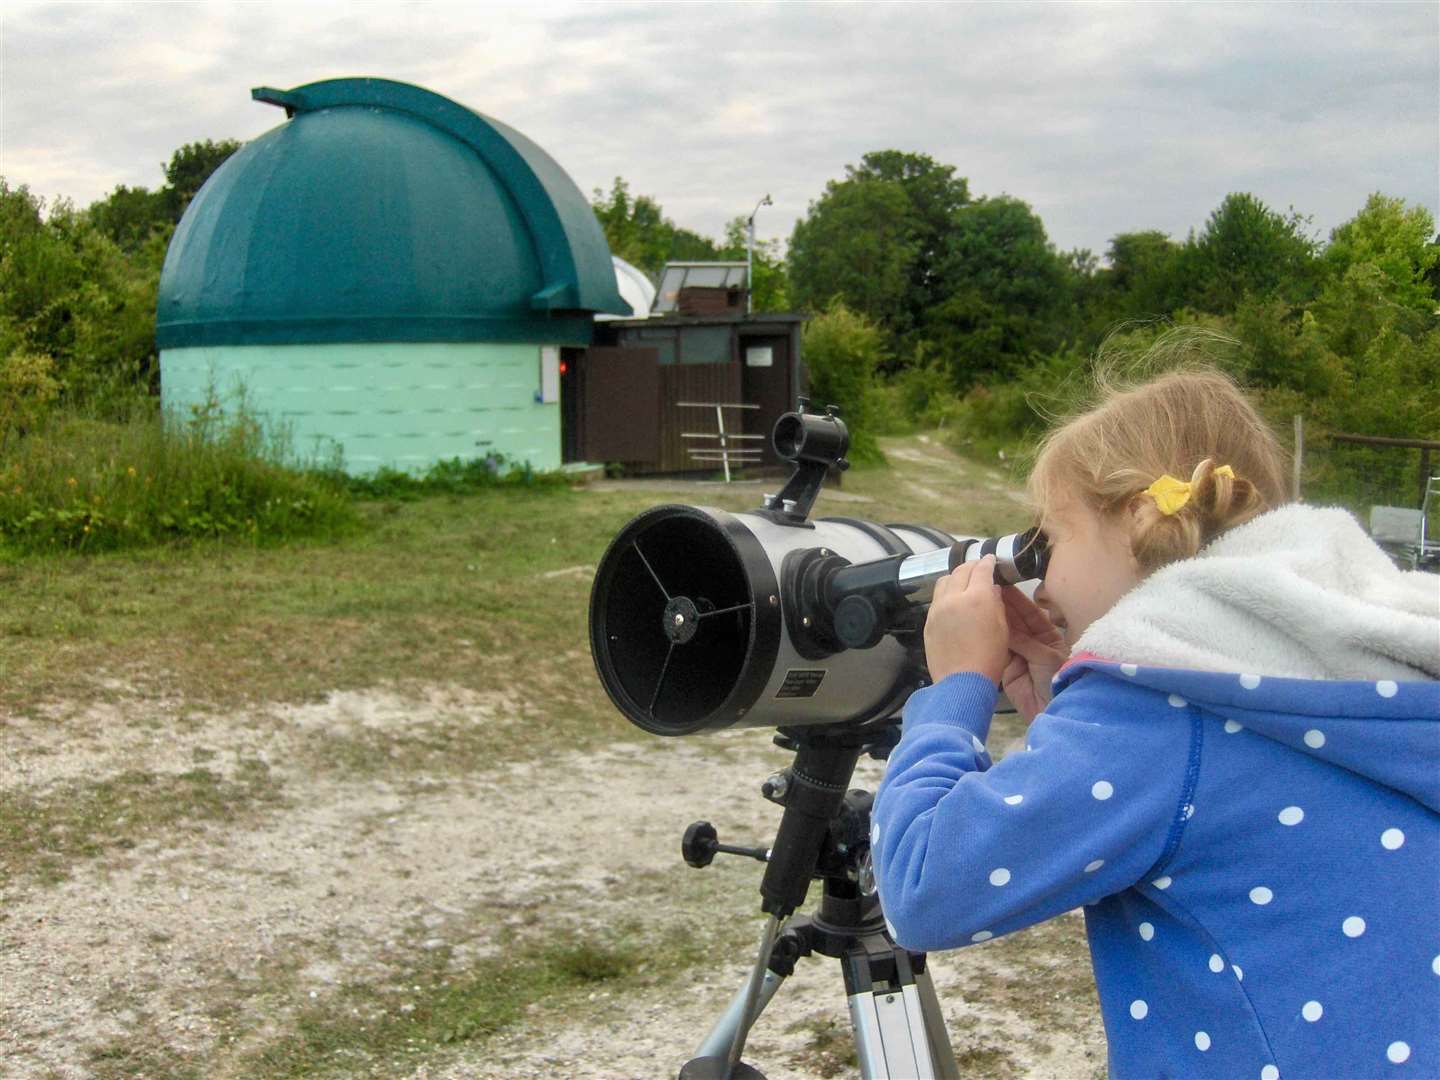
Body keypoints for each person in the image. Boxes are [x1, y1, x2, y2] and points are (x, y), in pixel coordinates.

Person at [871, 359, 1439, 1079]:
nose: (1041, 580)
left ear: (1141, 519)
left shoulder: (1154, 716)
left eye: (1053, 540)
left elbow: (926, 889)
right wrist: (1068, 697)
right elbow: (1212, 804)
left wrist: (955, 689)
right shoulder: (1333, 672)